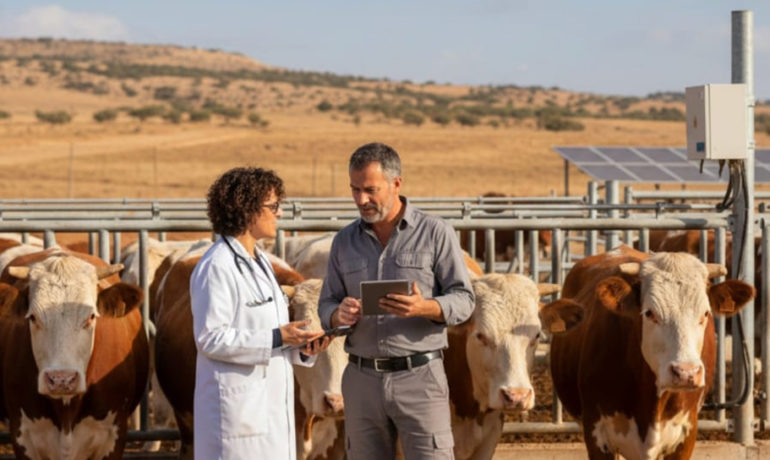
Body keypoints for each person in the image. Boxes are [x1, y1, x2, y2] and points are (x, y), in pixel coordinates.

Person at [319, 142, 475, 459]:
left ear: (397, 183)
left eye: (370, 190)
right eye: (354, 189)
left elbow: (464, 300)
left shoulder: (436, 233)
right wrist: (338, 315)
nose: (361, 199)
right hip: (361, 380)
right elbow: (326, 305)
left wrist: (426, 308)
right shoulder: (343, 241)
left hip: (420, 377)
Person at [191, 167, 330, 459]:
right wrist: (279, 336)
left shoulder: (262, 262)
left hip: (268, 413)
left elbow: (270, 334)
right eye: (273, 206)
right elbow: (210, 338)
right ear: (247, 209)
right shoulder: (217, 266)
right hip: (236, 419)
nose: (279, 214)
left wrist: (303, 347)